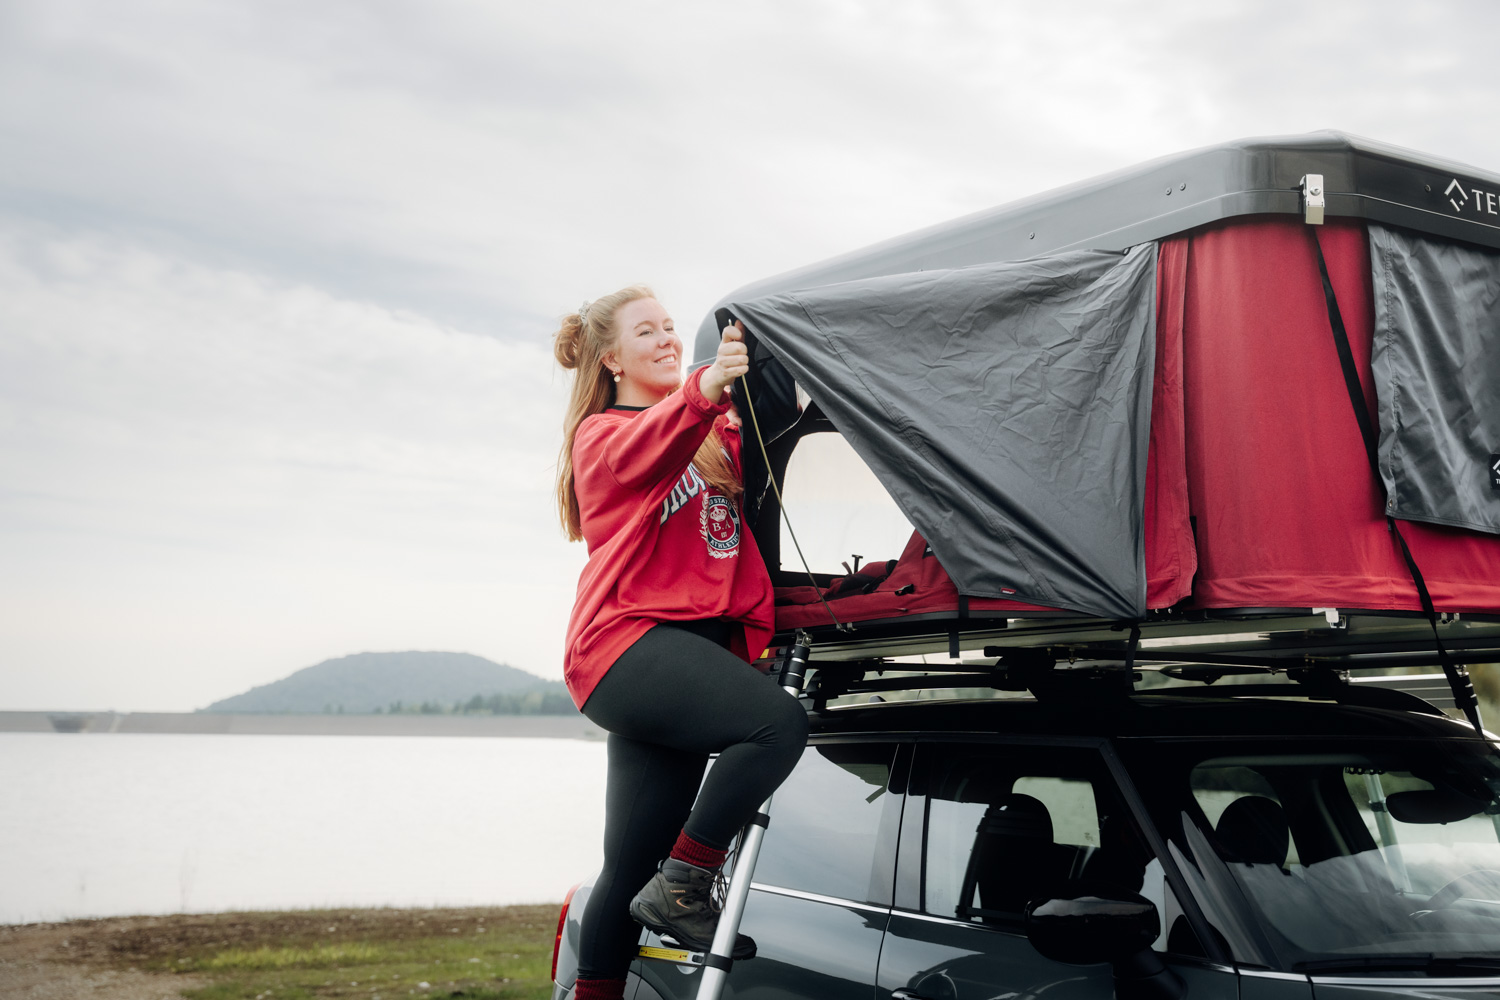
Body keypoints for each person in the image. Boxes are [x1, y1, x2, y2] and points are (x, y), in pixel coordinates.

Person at [552, 285, 810, 1000]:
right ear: (612, 359)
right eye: (648, 332)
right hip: (626, 649)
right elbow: (648, 444)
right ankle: (689, 883)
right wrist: (704, 386)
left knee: (627, 870)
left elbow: (774, 421)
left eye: (672, 326)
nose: (668, 338)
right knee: (776, 724)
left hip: (683, 661)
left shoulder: (711, 430)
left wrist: (754, 364)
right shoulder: (603, 436)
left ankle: (603, 979)